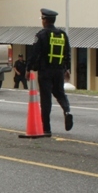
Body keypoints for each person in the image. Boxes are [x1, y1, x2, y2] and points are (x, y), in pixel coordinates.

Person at [27, 8, 73, 136]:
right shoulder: (62, 35)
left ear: (45, 20)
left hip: (45, 71)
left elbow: (34, 53)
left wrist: (28, 68)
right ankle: (67, 111)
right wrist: (67, 69)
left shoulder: (41, 35)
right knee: (60, 93)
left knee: (46, 99)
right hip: (59, 70)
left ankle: (46, 129)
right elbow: (67, 53)